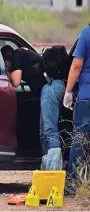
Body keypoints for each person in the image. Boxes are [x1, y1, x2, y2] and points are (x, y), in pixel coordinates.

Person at [1, 46, 65, 170]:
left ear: (6, 60)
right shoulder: (24, 54)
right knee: (43, 133)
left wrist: (5, 72)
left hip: (50, 87)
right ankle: (47, 170)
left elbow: (16, 82)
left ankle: (54, 171)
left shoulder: (17, 56)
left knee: (49, 131)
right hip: (52, 86)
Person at [63, 25, 90, 196]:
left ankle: (72, 185)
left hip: (87, 95)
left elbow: (76, 65)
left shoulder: (87, 33)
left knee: (80, 140)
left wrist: (67, 92)